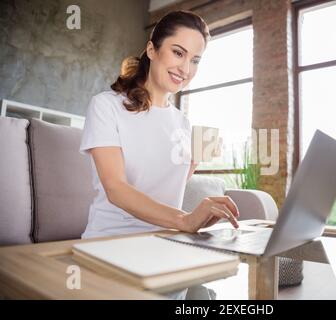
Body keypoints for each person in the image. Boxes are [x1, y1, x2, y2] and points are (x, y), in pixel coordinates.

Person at [79, 10, 239, 299]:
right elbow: (116, 188)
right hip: (110, 248)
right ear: (152, 49)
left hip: (165, 248)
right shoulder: (106, 106)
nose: (185, 68)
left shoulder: (183, 123)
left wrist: (194, 161)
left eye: (195, 60)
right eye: (178, 53)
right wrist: (184, 220)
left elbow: (166, 184)